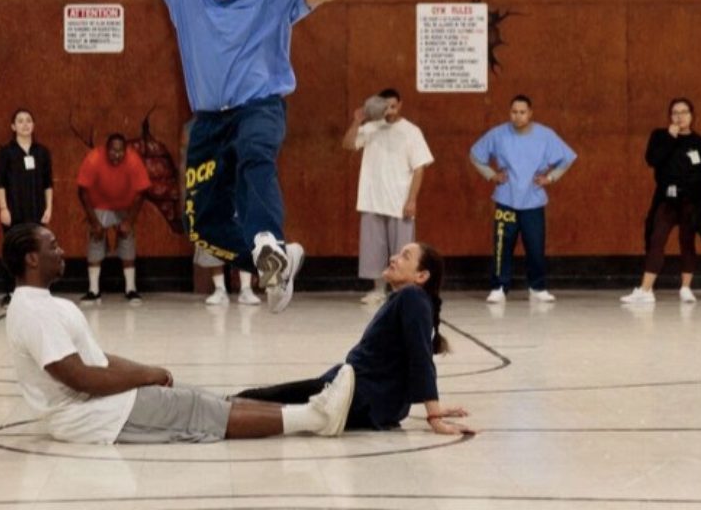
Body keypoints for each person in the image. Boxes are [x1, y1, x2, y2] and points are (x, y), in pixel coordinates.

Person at [58, 0, 396, 312]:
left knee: (256, 157)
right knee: (202, 227)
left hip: (259, 107)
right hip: (209, 121)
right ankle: (275, 262)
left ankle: (268, 241)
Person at [3, 222, 355, 444]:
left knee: (209, 401)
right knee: (198, 411)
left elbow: (99, 360)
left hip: (105, 402)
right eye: (53, 246)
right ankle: (316, 419)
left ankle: (311, 409)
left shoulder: (48, 304)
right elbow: (81, 378)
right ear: (32, 260)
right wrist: (145, 376)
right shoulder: (34, 313)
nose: (62, 251)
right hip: (91, 417)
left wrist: (147, 372)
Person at [236, 242, 472, 435]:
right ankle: (227, 407)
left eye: (404, 256)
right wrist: (435, 408)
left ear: (421, 275)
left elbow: (420, 356)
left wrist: (434, 414)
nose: (393, 257)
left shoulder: (412, 296)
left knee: (267, 400)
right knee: (277, 399)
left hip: (359, 395)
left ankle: (222, 410)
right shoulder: (409, 300)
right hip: (362, 394)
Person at [469, 95, 576, 303]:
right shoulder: (498, 134)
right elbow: (475, 154)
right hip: (506, 198)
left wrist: (551, 178)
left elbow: (567, 158)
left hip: (533, 200)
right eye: (514, 112)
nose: (517, 116)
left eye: (522, 112)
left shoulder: (545, 135)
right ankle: (499, 286)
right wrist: (491, 175)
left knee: (535, 245)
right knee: (502, 244)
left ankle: (537, 287)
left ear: (530, 113)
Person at [342, 88, 433, 304]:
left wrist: (412, 199)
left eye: (393, 105)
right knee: (374, 248)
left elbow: (420, 168)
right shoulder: (371, 128)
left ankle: (402, 290)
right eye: (386, 105)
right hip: (372, 198)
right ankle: (377, 289)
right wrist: (357, 122)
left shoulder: (411, 131)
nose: (390, 109)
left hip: (399, 201)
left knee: (403, 250)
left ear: (400, 104)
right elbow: (348, 145)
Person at [621, 98, 701, 304]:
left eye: (684, 112)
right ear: (669, 116)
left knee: (687, 241)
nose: (679, 116)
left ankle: (686, 287)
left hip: (692, 200)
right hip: (667, 198)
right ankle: (646, 290)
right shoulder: (660, 137)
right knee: (657, 238)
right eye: (675, 112)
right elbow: (652, 160)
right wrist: (670, 138)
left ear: (692, 115)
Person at [76, 133, 150, 304]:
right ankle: (93, 291)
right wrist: (94, 222)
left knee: (127, 241)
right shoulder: (94, 158)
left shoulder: (133, 160)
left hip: (126, 203)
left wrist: (129, 221)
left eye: (120, 151)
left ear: (125, 151)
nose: (116, 155)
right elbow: (82, 191)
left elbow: (142, 192)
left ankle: (131, 289)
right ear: (105, 150)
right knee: (95, 241)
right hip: (98, 203)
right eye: (113, 151)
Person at [0, 108, 53, 307]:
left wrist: (49, 208)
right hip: (14, 211)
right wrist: (3, 208)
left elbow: (48, 184)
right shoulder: (5, 152)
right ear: (13, 126)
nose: (25, 124)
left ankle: (37, 291)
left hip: (36, 211)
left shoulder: (42, 152)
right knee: (14, 251)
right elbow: (0, 183)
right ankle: (11, 292)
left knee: (37, 250)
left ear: (33, 125)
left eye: (28, 120)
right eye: (20, 121)